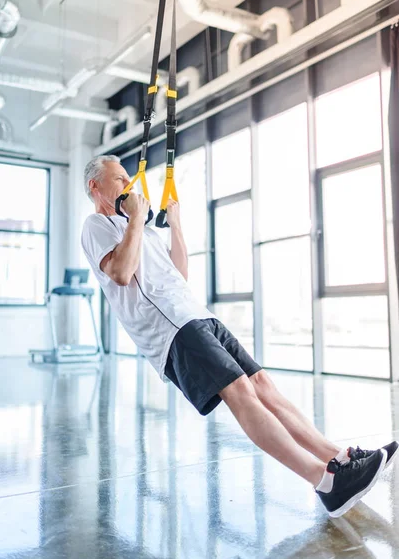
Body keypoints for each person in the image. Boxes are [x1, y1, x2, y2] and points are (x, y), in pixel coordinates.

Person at [81, 155, 398, 519]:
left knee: (262, 384)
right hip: (170, 329)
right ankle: (327, 484)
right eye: (120, 179)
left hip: (197, 314)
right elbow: (121, 273)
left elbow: (178, 274)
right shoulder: (96, 226)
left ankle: (337, 458)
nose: (128, 185)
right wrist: (137, 216)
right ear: (96, 187)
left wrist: (177, 224)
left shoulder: (140, 230)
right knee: (241, 393)